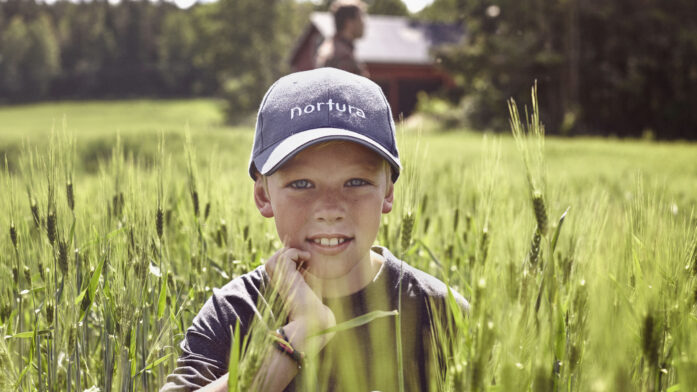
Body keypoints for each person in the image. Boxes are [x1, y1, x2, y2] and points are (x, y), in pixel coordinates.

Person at [160, 68, 469, 392]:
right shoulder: (234, 312)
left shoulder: (441, 313)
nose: (330, 209)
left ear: (388, 192)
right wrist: (300, 337)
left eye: (356, 182)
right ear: (264, 196)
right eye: (302, 184)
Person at [315, 0, 370, 77]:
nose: (363, 24)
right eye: (360, 19)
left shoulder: (332, 49)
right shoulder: (343, 56)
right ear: (349, 23)